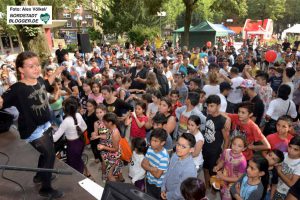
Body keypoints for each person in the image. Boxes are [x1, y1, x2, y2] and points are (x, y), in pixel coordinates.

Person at [0, 51, 65, 198]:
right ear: (21, 70)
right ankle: (46, 189)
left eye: (37, 65)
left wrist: (56, 72)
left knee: (47, 153)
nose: (36, 68)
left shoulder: (40, 80)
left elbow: (47, 82)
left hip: (46, 124)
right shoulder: (17, 88)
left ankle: (40, 176)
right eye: (31, 66)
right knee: (49, 155)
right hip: (33, 129)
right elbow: (2, 101)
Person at [52, 97, 87, 173]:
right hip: (81, 141)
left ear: (64, 110)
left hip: (72, 146)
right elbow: (84, 127)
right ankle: (82, 171)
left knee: (73, 164)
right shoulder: (78, 115)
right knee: (78, 160)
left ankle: (79, 176)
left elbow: (55, 138)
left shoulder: (66, 121)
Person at [202, 94, 230, 188]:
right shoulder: (209, 115)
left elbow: (226, 140)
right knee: (205, 169)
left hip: (215, 152)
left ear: (218, 106)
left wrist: (223, 156)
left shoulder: (223, 120)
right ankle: (207, 188)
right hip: (205, 148)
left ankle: (214, 191)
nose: (209, 108)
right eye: (208, 106)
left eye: (212, 106)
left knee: (213, 173)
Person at [161, 133, 197, 200]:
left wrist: (167, 195)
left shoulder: (190, 170)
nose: (178, 148)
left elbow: (181, 192)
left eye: (183, 147)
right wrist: (163, 187)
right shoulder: (175, 155)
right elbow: (168, 172)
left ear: (191, 149)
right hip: (167, 191)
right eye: (178, 144)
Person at [213, 136, 247, 200]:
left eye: (239, 146)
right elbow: (222, 162)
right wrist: (217, 167)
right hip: (223, 179)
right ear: (231, 143)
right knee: (222, 193)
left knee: (227, 197)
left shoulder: (242, 161)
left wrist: (223, 177)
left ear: (244, 148)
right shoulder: (226, 152)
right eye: (234, 144)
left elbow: (238, 179)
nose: (235, 147)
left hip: (232, 185)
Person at [142, 128, 169, 199]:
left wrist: (148, 166)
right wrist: (153, 168)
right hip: (148, 180)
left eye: (155, 141)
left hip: (158, 185)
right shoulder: (150, 148)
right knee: (148, 196)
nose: (152, 143)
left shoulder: (164, 157)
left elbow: (157, 175)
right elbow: (142, 164)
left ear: (162, 143)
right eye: (151, 140)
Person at [97, 113, 124, 182]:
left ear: (110, 122)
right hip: (111, 154)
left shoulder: (115, 133)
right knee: (113, 170)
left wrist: (103, 147)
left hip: (114, 156)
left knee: (109, 175)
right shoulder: (110, 128)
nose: (103, 123)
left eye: (105, 122)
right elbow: (109, 138)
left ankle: (114, 189)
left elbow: (115, 149)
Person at [274, 135, 300, 200]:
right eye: (290, 147)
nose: (291, 150)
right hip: (274, 186)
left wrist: (279, 172)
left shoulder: (299, 164)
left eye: (296, 149)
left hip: (284, 193)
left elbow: (292, 184)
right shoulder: (283, 155)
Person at [90, 104, 107, 179]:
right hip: (102, 144)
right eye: (97, 113)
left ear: (105, 112)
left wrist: (98, 136)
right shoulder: (96, 123)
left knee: (113, 161)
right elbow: (95, 133)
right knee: (104, 162)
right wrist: (93, 135)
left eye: (101, 112)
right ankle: (104, 174)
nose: (99, 114)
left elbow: (111, 134)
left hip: (112, 143)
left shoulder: (109, 121)